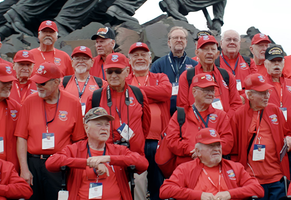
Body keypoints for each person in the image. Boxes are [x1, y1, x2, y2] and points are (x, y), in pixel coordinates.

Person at [14, 62, 86, 200]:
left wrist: (75, 170)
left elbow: (78, 140)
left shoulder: (73, 102)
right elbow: (21, 137)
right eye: (37, 83)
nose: (38, 86)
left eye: (43, 83)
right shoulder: (29, 101)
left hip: (60, 165)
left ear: (56, 82)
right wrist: (24, 169)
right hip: (34, 164)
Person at [45, 107, 148, 200]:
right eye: (99, 124)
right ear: (86, 128)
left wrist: (109, 159)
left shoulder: (118, 150)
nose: (104, 128)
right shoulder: (75, 149)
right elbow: (51, 163)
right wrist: (88, 162)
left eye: (107, 124)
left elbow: (143, 164)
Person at [231, 73, 291, 200]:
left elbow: (287, 131)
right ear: (250, 95)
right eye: (262, 93)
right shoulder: (239, 115)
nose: (267, 96)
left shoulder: (274, 110)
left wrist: (288, 137)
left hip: (277, 178)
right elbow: (234, 150)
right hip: (252, 180)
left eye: (267, 92)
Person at [160, 128, 265, 200]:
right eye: (210, 146)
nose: (216, 149)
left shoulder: (235, 167)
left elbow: (258, 190)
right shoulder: (185, 169)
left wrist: (230, 194)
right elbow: (165, 190)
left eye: (218, 145)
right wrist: (198, 196)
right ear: (198, 151)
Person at [126, 42, 171, 200]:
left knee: (158, 184)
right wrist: (152, 96)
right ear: (129, 60)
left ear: (150, 58)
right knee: (135, 184)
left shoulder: (160, 77)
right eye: (135, 55)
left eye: (143, 55)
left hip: (158, 140)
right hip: (133, 141)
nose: (139, 58)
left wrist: (136, 93)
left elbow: (165, 92)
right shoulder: (125, 79)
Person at [164, 72, 233, 173]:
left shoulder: (221, 116)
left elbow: (228, 142)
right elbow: (171, 141)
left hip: (213, 169)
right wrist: (194, 150)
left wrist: (205, 152)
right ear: (194, 91)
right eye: (206, 90)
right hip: (186, 169)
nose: (210, 94)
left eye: (212, 90)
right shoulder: (180, 114)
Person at [85, 52, 151, 155]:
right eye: (110, 71)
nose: (113, 76)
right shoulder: (95, 97)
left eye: (118, 71)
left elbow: (146, 126)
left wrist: (137, 141)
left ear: (127, 71)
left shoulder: (138, 94)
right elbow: (87, 129)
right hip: (104, 158)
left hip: (135, 157)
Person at [177, 35, 242, 118]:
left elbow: (236, 104)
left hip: (223, 126)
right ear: (197, 53)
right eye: (205, 49)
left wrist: (224, 120)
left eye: (213, 49)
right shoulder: (187, 76)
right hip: (196, 125)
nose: (210, 52)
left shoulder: (226, 75)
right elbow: (182, 106)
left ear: (217, 53)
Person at [151, 26, 198, 116]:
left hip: (188, 112)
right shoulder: (158, 64)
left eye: (182, 38)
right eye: (176, 37)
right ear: (169, 42)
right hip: (164, 111)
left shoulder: (194, 65)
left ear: (186, 42)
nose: (179, 40)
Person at [60, 46, 107, 115]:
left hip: (91, 123)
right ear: (72, 62)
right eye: (77, 58)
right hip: (69, 121)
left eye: (85, 59)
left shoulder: (102, 84)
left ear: (92, 62)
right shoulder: (61, 82)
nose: (81, 61)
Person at [217, 30, 257, 95]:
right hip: (224, 103)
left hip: (245, 103)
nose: (232, 42)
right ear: (221, 43)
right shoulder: (214, 64)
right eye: (228, 39)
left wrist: (242, 98)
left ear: (239, 44)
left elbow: (255, 86)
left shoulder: (249, 62)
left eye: (235, 40)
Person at [262, 46, 291, 123]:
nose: (277, 63)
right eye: (273, 61)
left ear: (284, 63)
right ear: (265, 64)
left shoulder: (290, 83)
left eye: (279, 60)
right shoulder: (260, 85)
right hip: (270, 130)